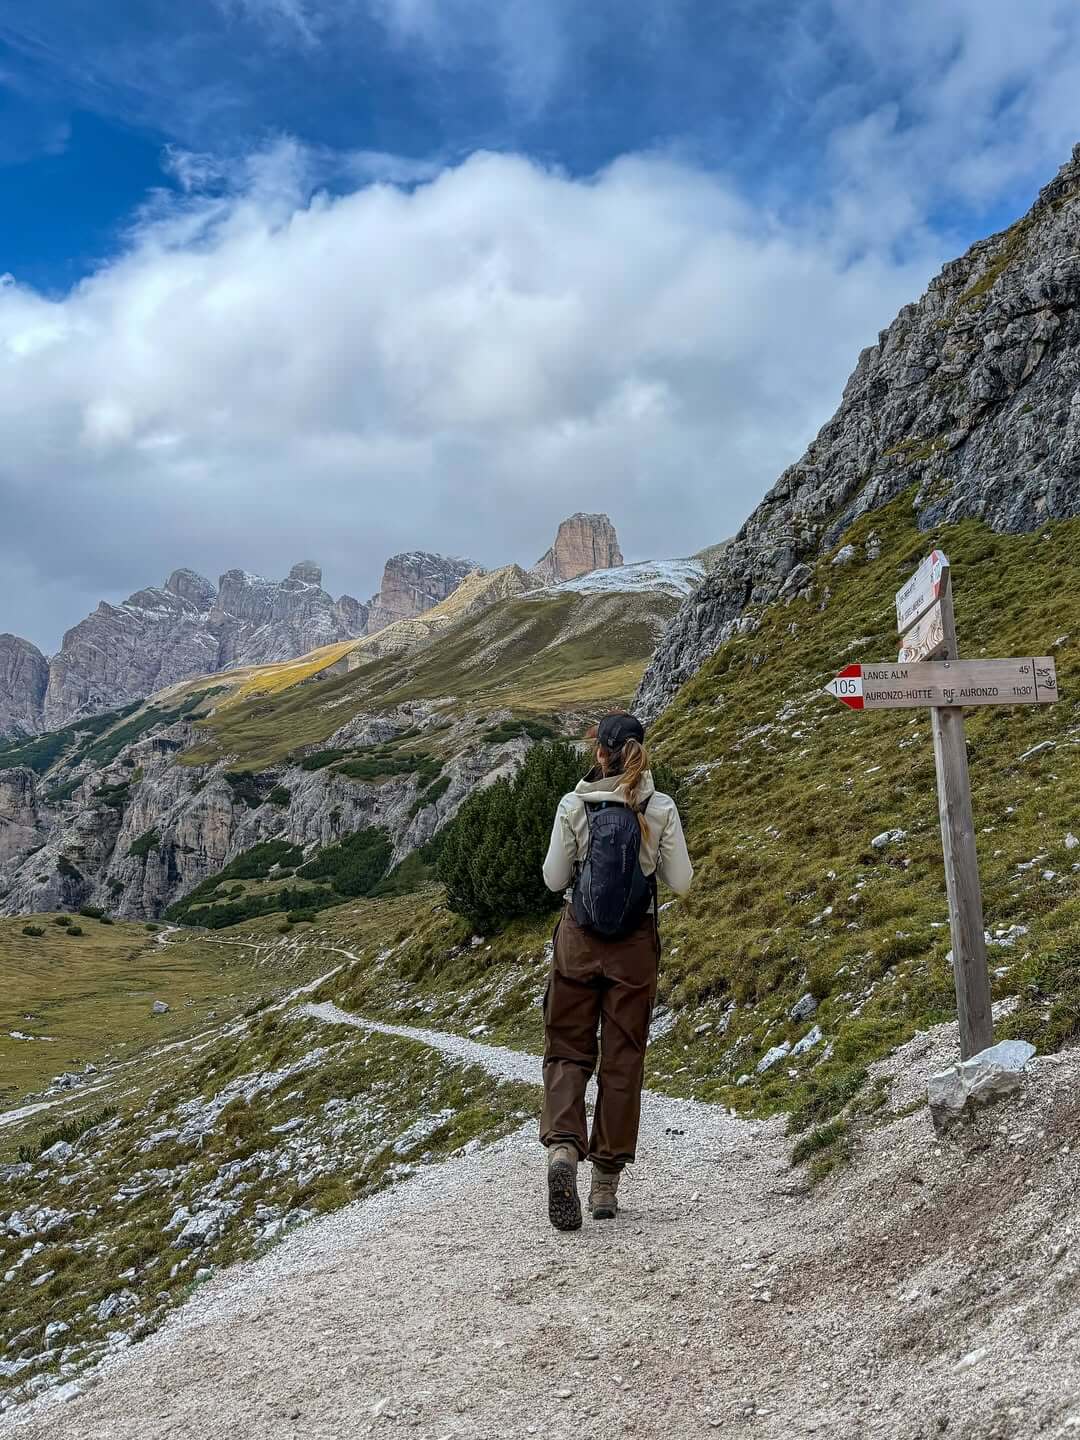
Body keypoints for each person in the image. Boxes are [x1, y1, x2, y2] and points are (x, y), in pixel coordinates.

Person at [539, 710, 693, 1231]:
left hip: (579, 943)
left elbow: (553, 877)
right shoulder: (660, 806)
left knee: (567, 1047)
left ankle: (563, 1148)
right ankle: (604, 1182)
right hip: (634, 948)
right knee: (623, 1058)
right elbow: (681, 883)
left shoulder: (574, 804)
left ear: (599, 752)